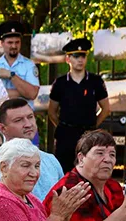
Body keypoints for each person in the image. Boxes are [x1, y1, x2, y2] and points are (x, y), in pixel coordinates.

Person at [0, 99, 63, 200]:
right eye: (18, 120)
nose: (28, 124)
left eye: (30, 117)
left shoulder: (51, 160)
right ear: (3, 128)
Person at [47, 38, 111, 172]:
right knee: (64, 172)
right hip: (66, 135)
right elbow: (52, 111)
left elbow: (106, 109)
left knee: (90, 171)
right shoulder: (60, 83)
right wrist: (63, 127)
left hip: (88, 134)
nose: (80, 60)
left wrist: (93, 126)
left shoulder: (95, 81)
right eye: (76, 56)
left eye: (83, 56)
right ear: (68, 59)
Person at [0, 20, 40, 105]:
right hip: (0, 116)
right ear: (2, 43)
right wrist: (22, 93)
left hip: (23, 116)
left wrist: (11, 75)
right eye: (10, 42)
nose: (14, 46)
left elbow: (32, 94)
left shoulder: (29, 65)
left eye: (17, 42)